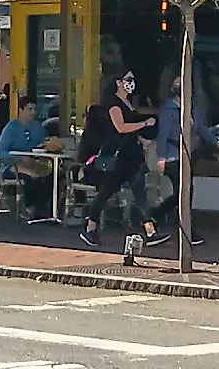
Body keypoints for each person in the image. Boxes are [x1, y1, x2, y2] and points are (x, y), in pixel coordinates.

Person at [78, 70, 158, 255]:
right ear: (118, 82)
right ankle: (90, 225)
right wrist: (144, 123)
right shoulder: (114, 104)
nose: (131, 83)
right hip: (119, 157)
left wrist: (142, 140)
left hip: (131, 155)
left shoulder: (128, 103)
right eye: (128, 79)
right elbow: (120, 127)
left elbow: (129, 131)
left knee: (139, 191)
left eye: (133, 79)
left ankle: (150, 230)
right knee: (107, 192)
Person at [154, 77, 210, 248]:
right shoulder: (168, 109)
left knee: (184, 191)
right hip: (172, 156)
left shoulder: (192, 107)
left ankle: (157, 214)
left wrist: (215, 142)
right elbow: (163, 134)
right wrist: (161, 158)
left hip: (187, 155)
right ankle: (187, 230)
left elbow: (200, 128)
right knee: (184, 191)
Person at [0, 98, 50, 214]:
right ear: (20, 110)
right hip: (12, 166)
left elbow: (41, 145)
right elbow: (0, 153)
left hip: (33, 162)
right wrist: (19, 158)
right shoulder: (11, 128)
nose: (33, 112)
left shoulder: (38, 127)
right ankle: (31, 208)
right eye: (29, 109)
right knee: (32, 176)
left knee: (51, 176)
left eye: (34, 109)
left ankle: (46, 209)